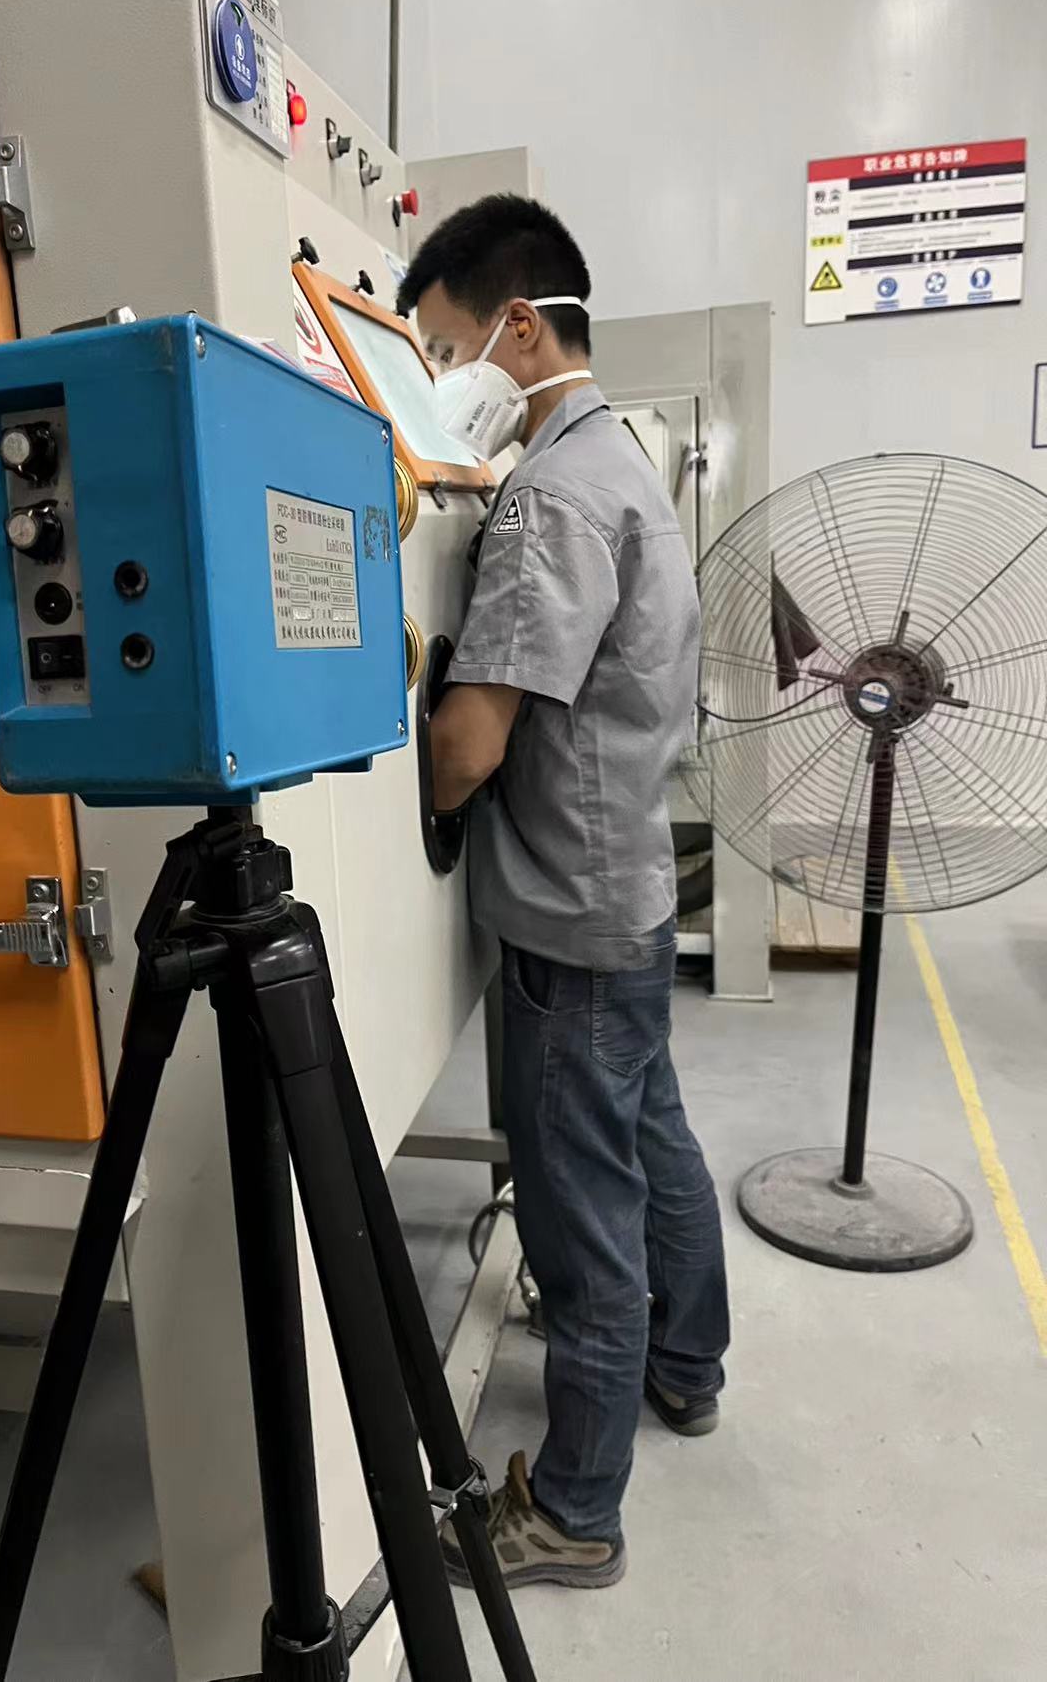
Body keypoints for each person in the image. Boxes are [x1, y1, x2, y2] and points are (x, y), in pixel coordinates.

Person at [396, 196, 731, 1590]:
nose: (441, 379)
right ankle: (686, 1363)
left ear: (519, 328)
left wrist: (413, 779)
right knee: (652, 1142)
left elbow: (472, 742)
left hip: (568, 917)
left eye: (444, 349)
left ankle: (575, 1512)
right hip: (631, 885)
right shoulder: (625, 461)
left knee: (581, 1214)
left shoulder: (548, 496)